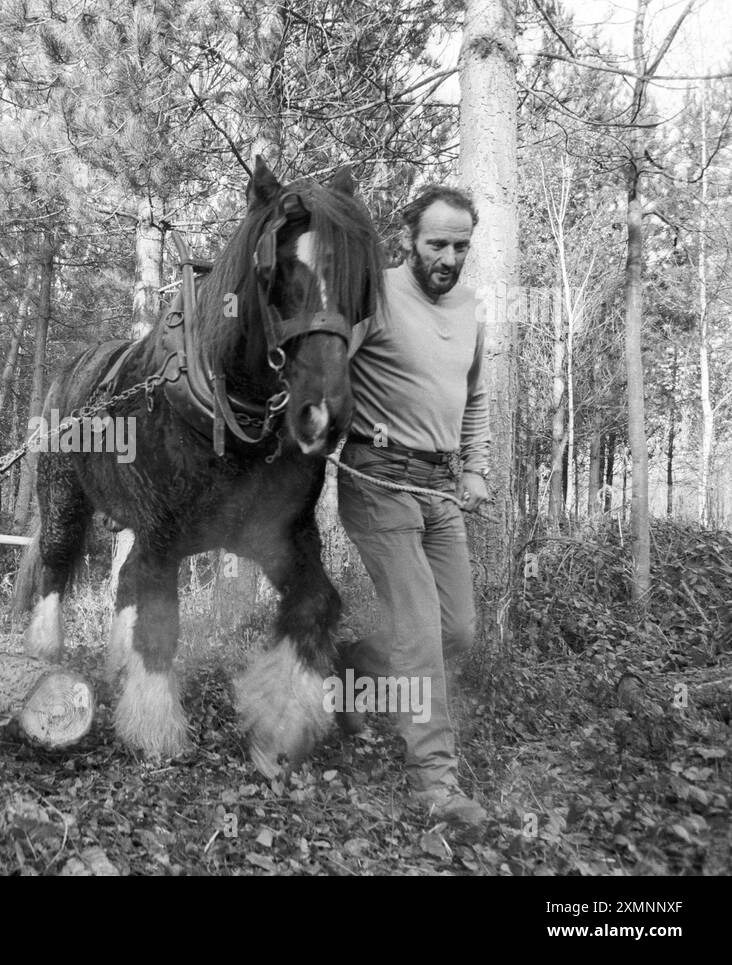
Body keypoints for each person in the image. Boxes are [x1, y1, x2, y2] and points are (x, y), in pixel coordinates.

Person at [335, 184, 491, 826]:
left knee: (457, 629)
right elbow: (321, 367)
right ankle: (436, 782)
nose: (449, 257)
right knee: (423, 635)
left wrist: (476, 469)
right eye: (437, 244)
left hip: (441, 487)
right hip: (375, 479)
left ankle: (349, 667)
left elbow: (474, 396)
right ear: (408, 240)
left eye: (461, 245)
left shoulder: (471, 308)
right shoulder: (372, 294)